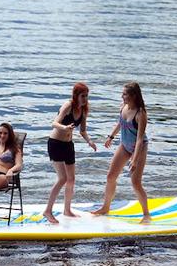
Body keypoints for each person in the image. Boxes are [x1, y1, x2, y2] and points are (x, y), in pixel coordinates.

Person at [92, 82, 151, 223]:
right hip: (124, 146)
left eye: (124, 94)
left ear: (133, 96)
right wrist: (111, 136)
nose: (122, 96)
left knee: (135, 182)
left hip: (139, 148)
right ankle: (106, 207)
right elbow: (120, 123)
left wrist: (135, 160)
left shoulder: (140, 113)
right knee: (111, 176)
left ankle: (146, 214)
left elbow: (139, 139)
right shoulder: (123, 107)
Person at [43, 83, 97, 224]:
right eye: (82, 96)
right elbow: (54, 123)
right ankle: (47, 211)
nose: (85, 99)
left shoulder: (84, 110)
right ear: (76, 95)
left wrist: (90, 141)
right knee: (62, 178)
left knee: (71, 179)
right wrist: (65, 127)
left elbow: (83, 131)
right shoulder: (68, 106)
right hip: (55, 143)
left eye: (86, 96)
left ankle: (67, 210)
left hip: (68, 145)